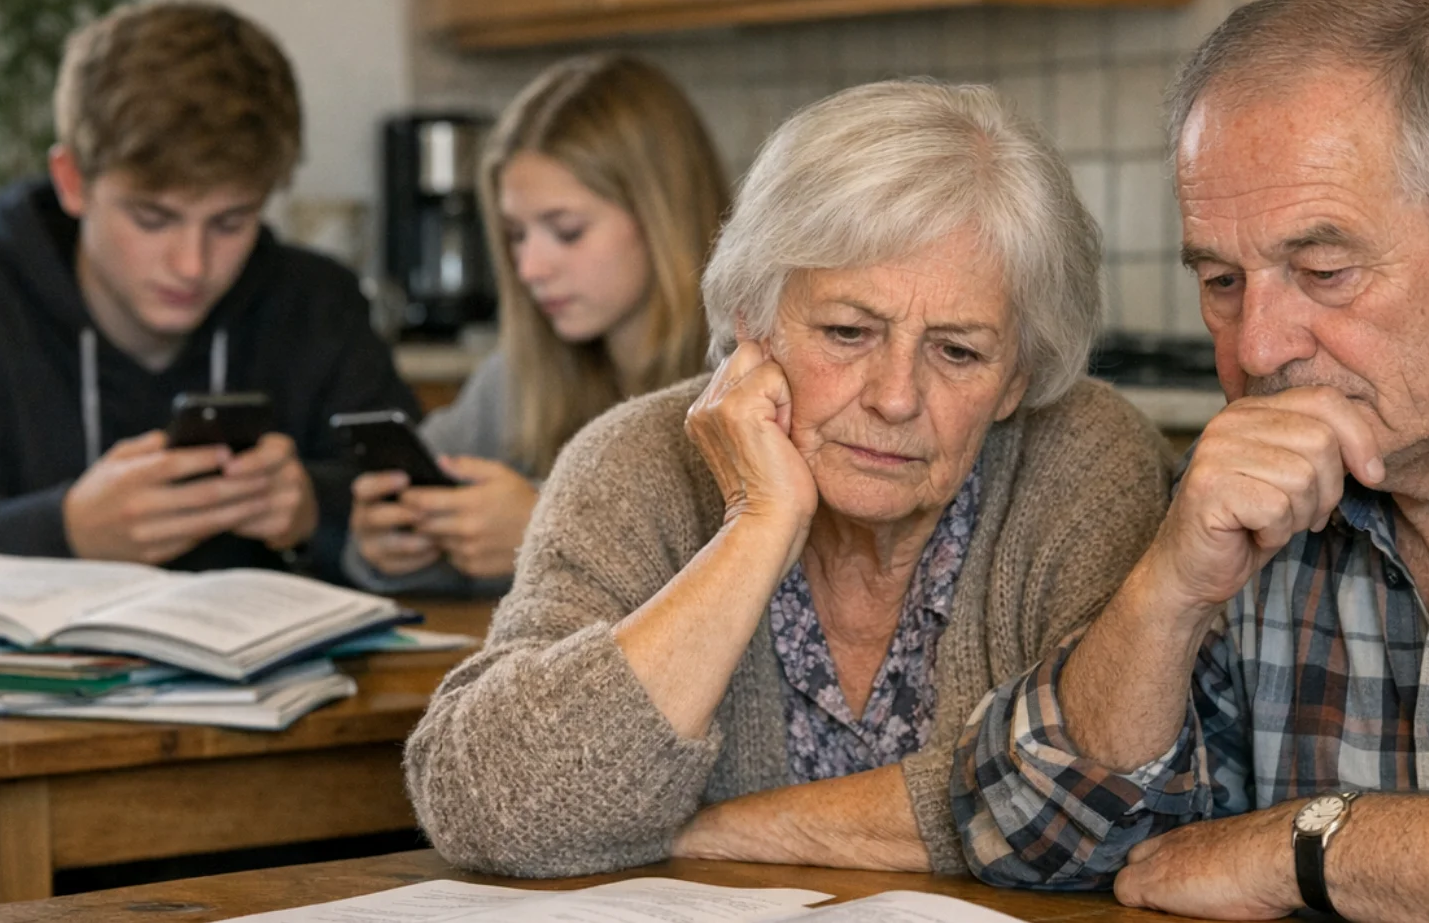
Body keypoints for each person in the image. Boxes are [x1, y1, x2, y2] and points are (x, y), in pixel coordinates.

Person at [953, 0, 1429, 922]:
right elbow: (1026, 838)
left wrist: (1303, 845)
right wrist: (1169, 588)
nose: (1258, 348)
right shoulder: (1268, 460)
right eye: (1223, 280)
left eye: (1324, 270)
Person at [403, 80, 1175, 877]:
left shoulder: (1085, 460)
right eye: (848, 332)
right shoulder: (633, 464)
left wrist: (699, 828)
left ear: (1017, 378)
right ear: (754, 321)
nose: (895, 396)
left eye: (958, 351)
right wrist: (758, 525)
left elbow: (1107, 797)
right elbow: (494, 807)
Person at [0, 0, 417, 582]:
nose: (191, 265)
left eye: (231, 223)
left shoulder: (317, 303)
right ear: (72, 181)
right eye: (153, 219)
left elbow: (416, 510)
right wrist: (62, 531)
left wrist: (315, 511)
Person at [345, 54, 728, 593]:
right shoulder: (512, 380)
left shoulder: (748, 381)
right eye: (516, 235)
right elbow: (447, 574)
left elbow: (767, 599)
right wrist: (392, 544)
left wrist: (548, 530)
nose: (529, 268)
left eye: (566, 231)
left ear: (665, 214)